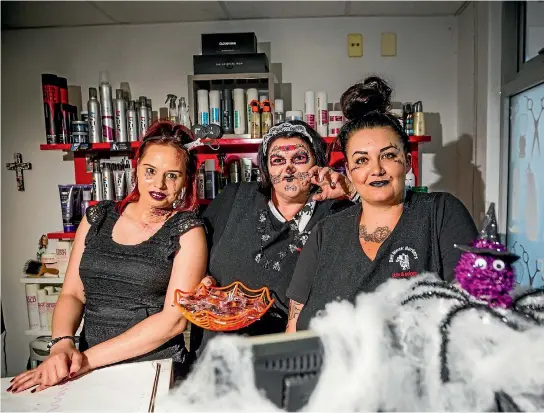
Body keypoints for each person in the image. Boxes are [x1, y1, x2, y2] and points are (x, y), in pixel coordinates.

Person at [8, 121, 207, 393]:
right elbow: (72, 294)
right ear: (136, 167)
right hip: (87, 369)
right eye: (150, 171)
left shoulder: (187, 231)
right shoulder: (98, 217)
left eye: (172, 175)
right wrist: (63, 344)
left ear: (186, 179)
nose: (159, 184)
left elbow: (173, 321)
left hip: (153, 371)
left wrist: (85, 360)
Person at [286, 76, 478, 332]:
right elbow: (294, 324)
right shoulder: (325, 233)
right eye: (362, 160)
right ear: (350, 171)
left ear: (407, 162)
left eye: (388, 155)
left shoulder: (439, 214)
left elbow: (474, 316)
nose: (376, 170)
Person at [192, 120, 353, 354]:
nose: (288, 169)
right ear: (266, 169)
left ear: (318, 164)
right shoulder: (235, 198)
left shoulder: (336, 215)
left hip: (288, 355)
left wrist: (352, 190)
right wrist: (203, 279)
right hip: (216, 353)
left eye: (299, 159)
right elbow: (194, 250)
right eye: (278, 160)